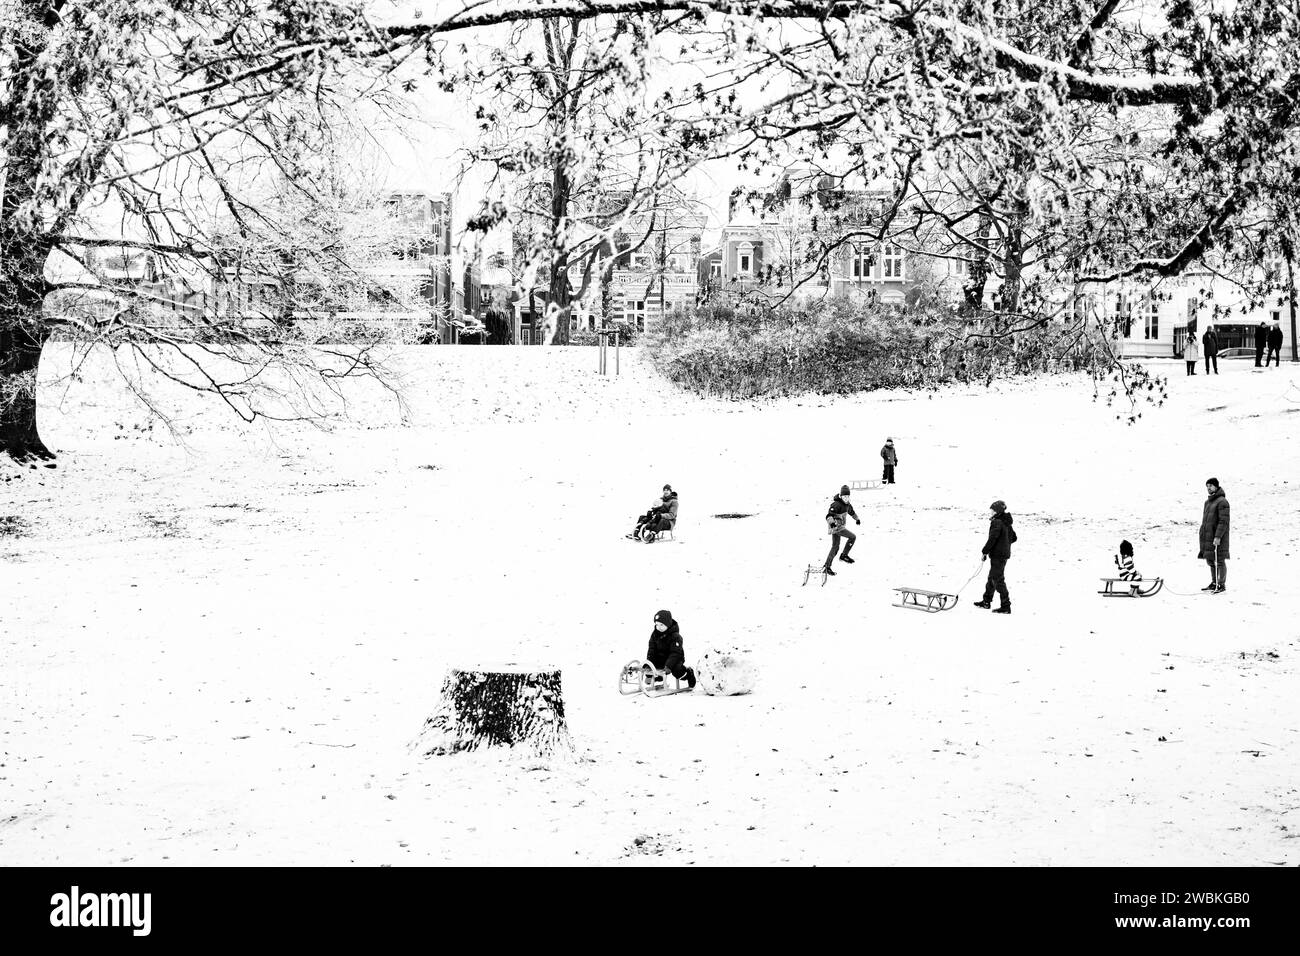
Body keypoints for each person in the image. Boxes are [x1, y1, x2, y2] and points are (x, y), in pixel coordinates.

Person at [973, 500, 1016, 614]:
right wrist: (1005, 543)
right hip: (1003, 555)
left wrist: (985, 551)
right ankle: (986, 601)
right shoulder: (1006, 522)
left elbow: (992, 539)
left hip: (998, 555)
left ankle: (1006, 606)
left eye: (992, 510)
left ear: (997, 511)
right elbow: (1014, 538)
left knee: (998, 580)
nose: (990, 512)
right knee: (992, 578)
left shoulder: (997, 522)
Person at [647, 609, 695, 688]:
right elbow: (652, 650)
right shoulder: (655, 635)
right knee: (650, 669)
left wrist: (668, 666)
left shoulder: (675, 636)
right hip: (661, 658)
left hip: (675, 659)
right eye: (657, 624)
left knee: (677, 671)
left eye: (661, 625)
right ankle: (658, 677)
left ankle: (688, 674)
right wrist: (649, 663)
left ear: (668, 624)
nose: (658, 627)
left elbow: (675, 653)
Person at [1198, 478, 1230, 593]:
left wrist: (1218, 537)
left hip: (1218, 537)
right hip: (1208, 536)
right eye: (1207, 486)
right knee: (1211, 560)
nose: (1208, 488)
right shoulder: (1208, 502)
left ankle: (1221, 584)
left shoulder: (1222, 502)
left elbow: (1223, 521)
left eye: (1210, 486)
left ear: (1216, 486)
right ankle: (1214, 583)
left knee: (1219, 560)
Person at [823, 484, 861, 576]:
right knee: (852, 537)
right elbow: (829, 515)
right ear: (841, 496)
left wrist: (857, 519)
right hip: (836, 527)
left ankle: (827, 567)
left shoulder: (848, 505)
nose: (846, 498)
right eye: (844, 496)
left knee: (835, 547)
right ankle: (844, 555)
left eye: (848, 496)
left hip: (839, 527)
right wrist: (832, 522)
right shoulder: (836, 504)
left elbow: (852, 512)